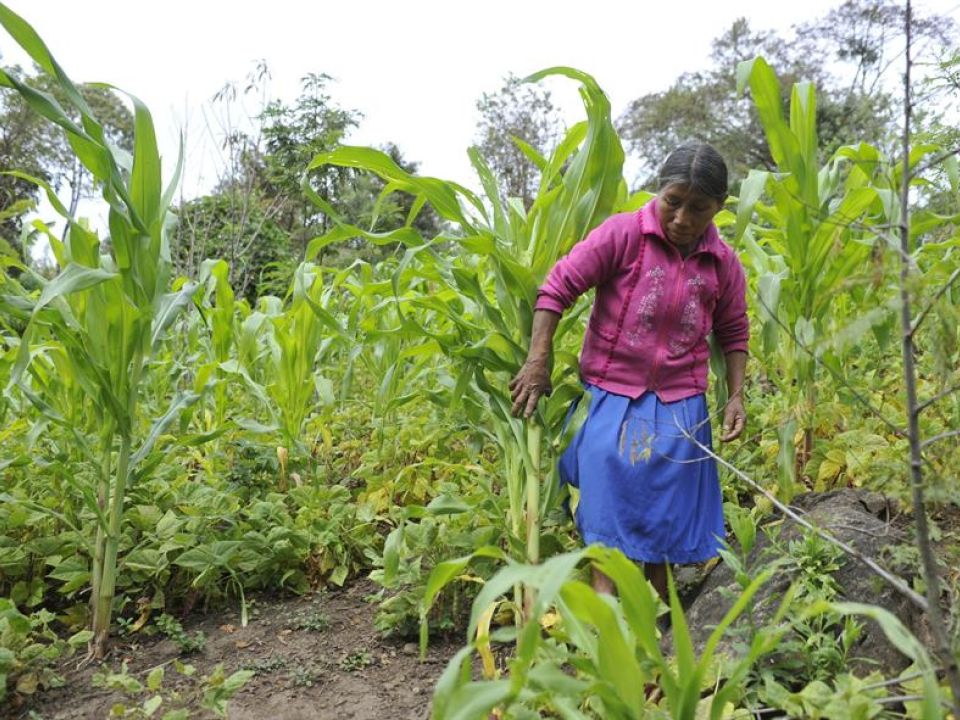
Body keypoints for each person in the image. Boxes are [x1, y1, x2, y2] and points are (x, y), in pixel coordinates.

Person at [508, 142, 748, 601]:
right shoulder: (622, 235)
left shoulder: (723, 264)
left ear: (718, 207)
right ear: (659, 192)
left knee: (664, 521)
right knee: (607, 510)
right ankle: (608, 621)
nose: (681, 218)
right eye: (673, 202)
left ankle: (658, 622)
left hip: (681, 402)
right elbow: (557, 289)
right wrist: (538, 360)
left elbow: (733, 331)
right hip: (609, 394)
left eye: (698, 209)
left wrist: (734, 396)